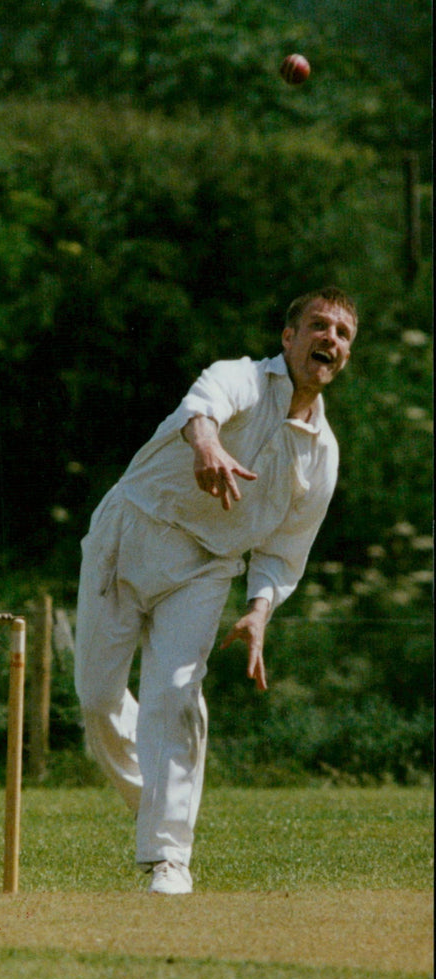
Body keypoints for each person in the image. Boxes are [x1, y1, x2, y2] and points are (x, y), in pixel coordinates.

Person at [74, 287, 358, 894]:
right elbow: (200, 410)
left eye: (342, 334)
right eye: (318, 326)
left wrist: (260, 613)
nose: (329, 339)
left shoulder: (323, 454)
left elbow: (284, 551)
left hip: (206, 567)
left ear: (346, 355)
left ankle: (166, 856)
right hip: (132, 529)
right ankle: (157, 796)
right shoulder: (242, 378)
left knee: (176, 695)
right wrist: (206, 446)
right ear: (289, 337)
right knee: (97, 700)